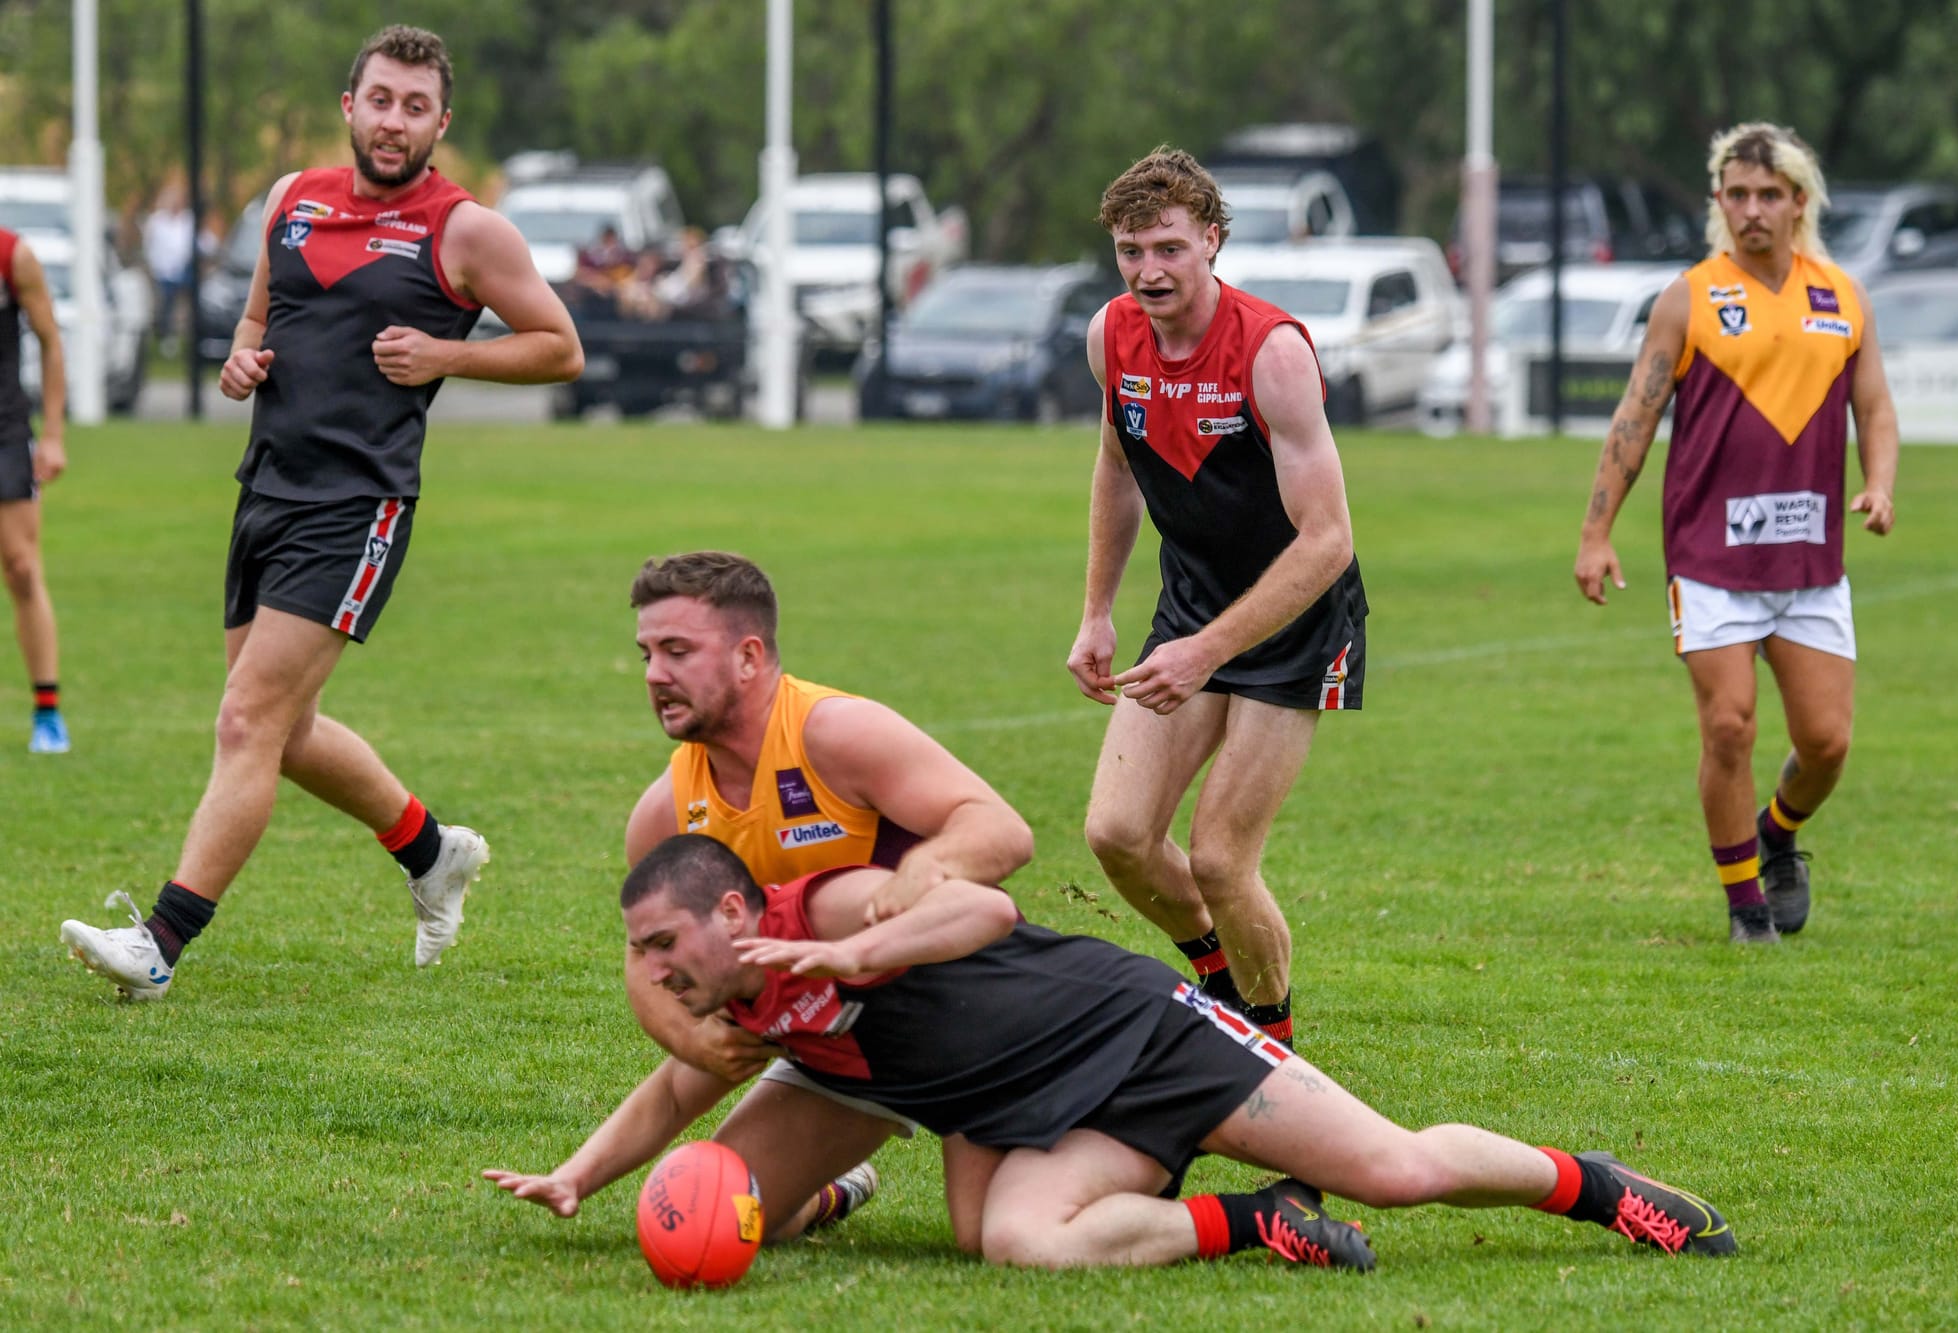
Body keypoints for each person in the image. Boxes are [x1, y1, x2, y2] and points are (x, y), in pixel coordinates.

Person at [486, 834, 1737, 1268]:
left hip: (1132, 1029)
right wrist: (576, 1178)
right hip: (1029, 1104)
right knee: (1011, 1244)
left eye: (662, 942)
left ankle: (1594, 1184)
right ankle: (1249, 1227)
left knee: (1396, 1171)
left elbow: (981, 906)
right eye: (640, 953)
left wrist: (865, 954)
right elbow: (670, 1090)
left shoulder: (825, 913)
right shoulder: (729, 1002)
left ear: (732, 912)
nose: (652, 971)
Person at [58, 24, 583, 999]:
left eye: (415, 107)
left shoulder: (464, 229)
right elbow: (260, 316)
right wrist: (239, 357)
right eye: (380, 100)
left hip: (358, 502)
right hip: (265, 487)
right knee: (282, 731)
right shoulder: (291, 201)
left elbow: (560, 347)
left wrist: (447, 356)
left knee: (247, 719)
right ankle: (430, 851)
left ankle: (159, 945)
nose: (394, 123)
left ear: (440, 123)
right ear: (350, 105)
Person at [613, 551, 1035, 1240]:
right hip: (836, 1045)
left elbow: (1001, 831)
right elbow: (643, 953)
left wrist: (914, 880)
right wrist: (693, 1039)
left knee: (987, 1233)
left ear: (749, 656)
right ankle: (836, 1192)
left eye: (678, 650)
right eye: (647, 654)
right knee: (729, 1219)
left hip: (960, 1022)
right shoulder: (665, 809)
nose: (656, 674)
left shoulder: (836, 731)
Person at [1067, 146, 1368, 1044]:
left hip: (1296, 619)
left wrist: (1208, 651)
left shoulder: (1271, 353)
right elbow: (1119, 467)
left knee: (1222, 858)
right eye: (1130, 250)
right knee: (1118, 835)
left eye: (1168, 248)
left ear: (1213, 240)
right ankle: (1217, 979)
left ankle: (1269, 1044)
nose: (1149, 271)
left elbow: (1329, 539)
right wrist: (1096, 610)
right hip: (1190, 605)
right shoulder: (1110, 336)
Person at [1574, 122, 1898, 943]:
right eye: (1737, 195)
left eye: (1769, 195)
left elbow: (1877, 406)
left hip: (1811, 561)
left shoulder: (1843, 296)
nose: (1753, 210)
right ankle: (1746, 906)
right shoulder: (1690, 296)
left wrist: (1881, 483)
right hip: (1711, 558)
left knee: (1825, 743)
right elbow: (1636, 414)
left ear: (1799, 202)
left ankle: (1779, 833)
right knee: (1730, 724)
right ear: (1720, 202)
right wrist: (1597, 530)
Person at [0, 225, 70, 754]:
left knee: (22, 568)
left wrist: (52, 434)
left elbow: (50, 342)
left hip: (5, 431)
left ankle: (47, 711)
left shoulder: (13, 255)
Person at [143, 185, 197, 346]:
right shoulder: (157, 220)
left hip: (183, 269)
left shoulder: (187, 219)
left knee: (186, 303)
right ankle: (165, 336)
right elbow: (149, 244)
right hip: (163, 270)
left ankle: (186, 335)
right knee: (166, 303)